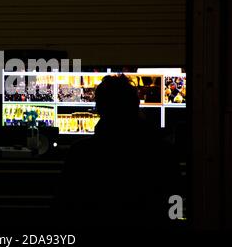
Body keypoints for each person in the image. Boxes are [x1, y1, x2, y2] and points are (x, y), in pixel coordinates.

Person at [54, 74, 181, 230]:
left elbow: (64, 205)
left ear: (99, 109)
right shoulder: (163, 152)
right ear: (136, 106)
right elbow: (175, 201)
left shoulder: (81, 153)